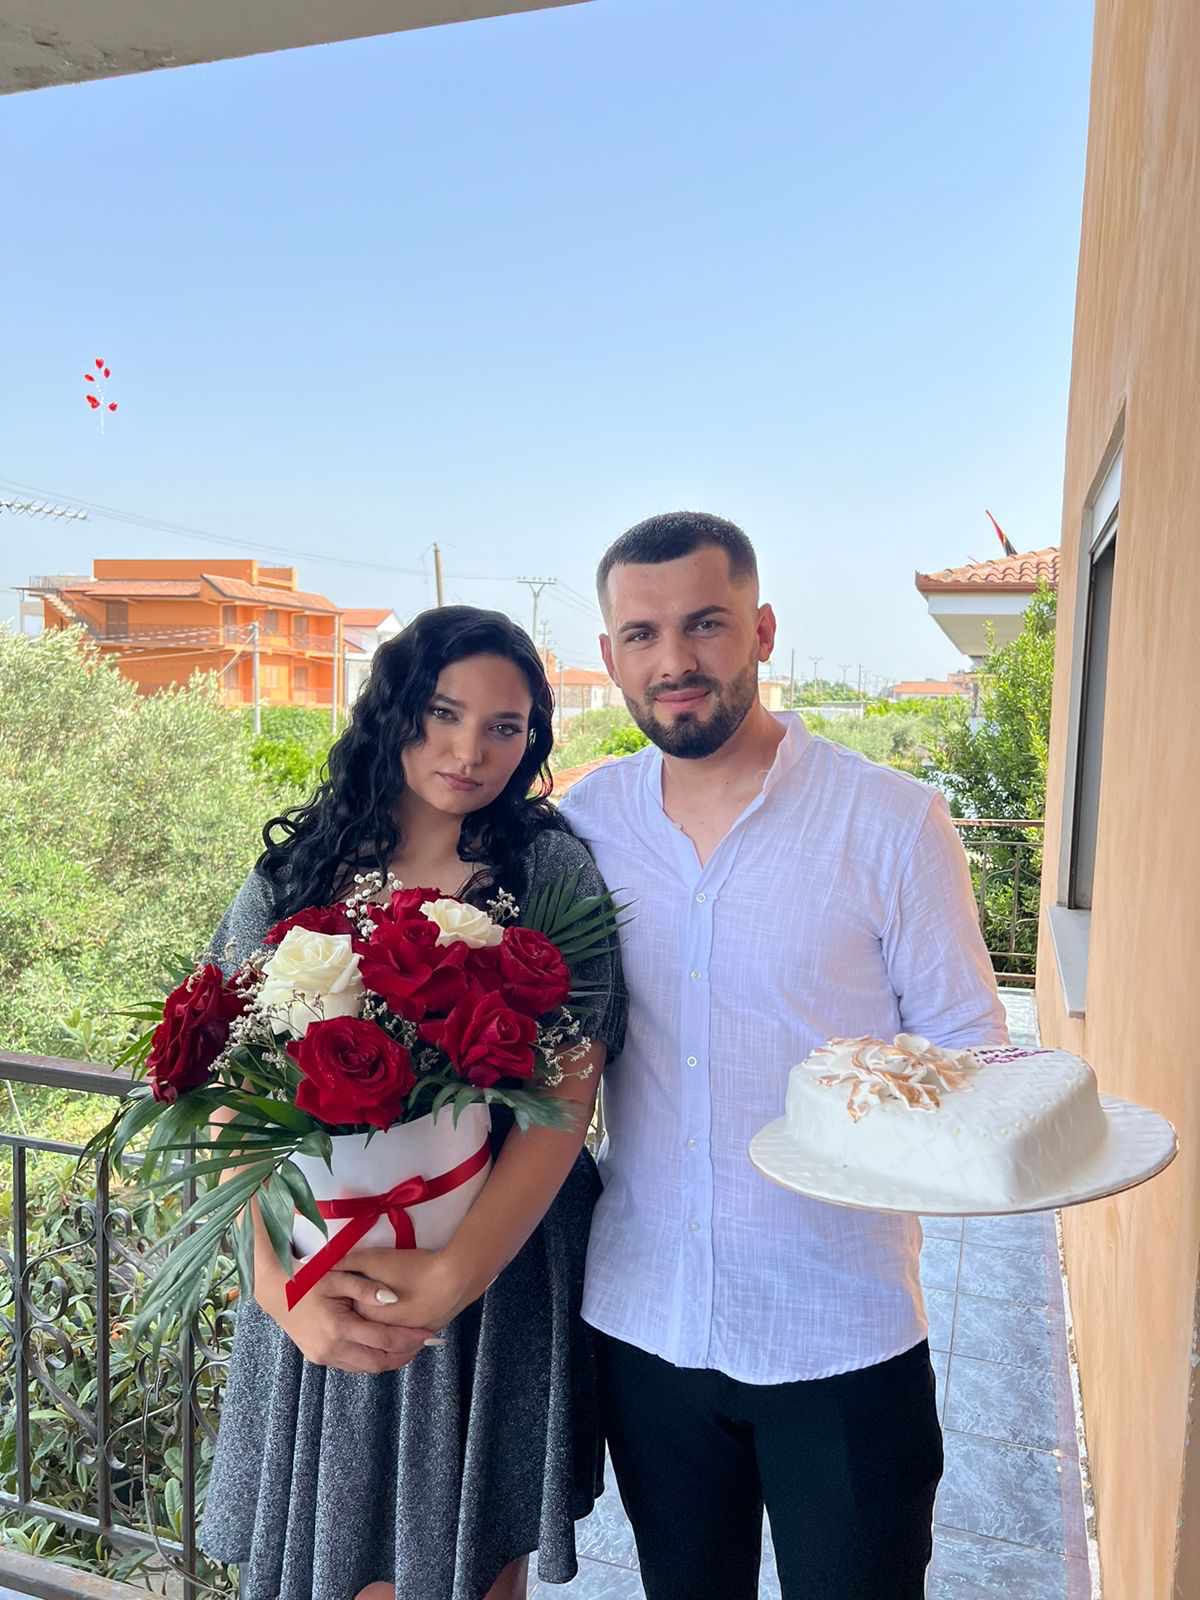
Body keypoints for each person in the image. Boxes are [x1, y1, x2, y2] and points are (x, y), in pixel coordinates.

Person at [560, 512, 1008, 1600]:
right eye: (642, 634)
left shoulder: (892, 822)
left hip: (839, 1325)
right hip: (645, 1321)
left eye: (706, 624)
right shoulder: (586, 822)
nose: (674, 660)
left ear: (761, 630)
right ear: (612, 653)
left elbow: (972, 1053)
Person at [198, 606, 625, 1600]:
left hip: (493, 1280)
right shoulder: (296, 872)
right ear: (394, 710)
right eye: (443, 713)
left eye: (505, 727)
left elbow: (568, 1091)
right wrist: (278, 1290)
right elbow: (224, 1086)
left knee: (474, 1569)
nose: (470, 751)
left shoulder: (546, 870)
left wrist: (452, 1278)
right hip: (319, 1276)